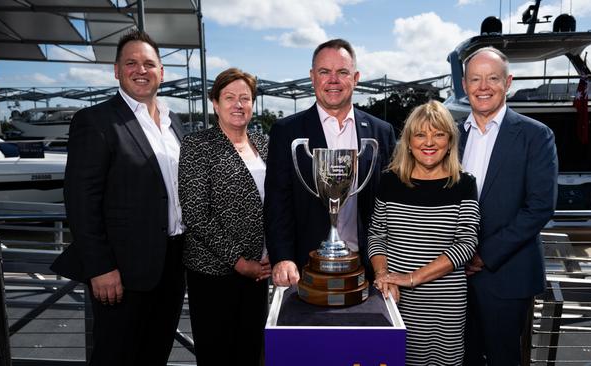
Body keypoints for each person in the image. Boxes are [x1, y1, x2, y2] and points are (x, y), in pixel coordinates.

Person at [50, 30, 186, 365]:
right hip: (121, 272)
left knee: (156, 354)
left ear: (162, 72)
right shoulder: (95, 122)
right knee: (116, 356)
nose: (141, 70)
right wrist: (101, 268)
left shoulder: (174, 123)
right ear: (116, 70)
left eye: (149, 64)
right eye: (131, 63)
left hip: (171, 264)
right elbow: (81, 201)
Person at [264, 38, 397, 286]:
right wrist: (282, 258)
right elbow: (277, 204)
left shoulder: (381, 132)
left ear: (356, 78)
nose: (333, 80)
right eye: (325, 72)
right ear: (312, 77)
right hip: (306, 267)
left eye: (342, 72)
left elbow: (391, 205)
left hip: (367, 268)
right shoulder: (286, 132)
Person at [459, 47, 558, 365]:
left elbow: (540, 206)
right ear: (465, 84)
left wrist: (484, 254)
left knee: (504, 359)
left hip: (506, 275)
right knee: (462, 358)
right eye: (475, 78)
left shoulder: (536, 135)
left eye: (492, 78)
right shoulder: (452, 136)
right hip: (452, 277)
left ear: (508, 82)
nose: (483, 86)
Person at [370, 100, 480, 365]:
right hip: (397, 301)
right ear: (408, 141)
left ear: (450, 140)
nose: (429, 142)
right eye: (421, 134)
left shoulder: (464, 184)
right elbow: (376, 236)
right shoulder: (389, 181)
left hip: (445, 303)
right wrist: (383, 276)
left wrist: (411, 278)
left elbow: (466, 244)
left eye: (438, 134)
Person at [179, 67, 271, 366]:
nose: (238, 104)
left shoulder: (264, 143)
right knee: (218, 354)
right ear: (215, 103)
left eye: (245, 97)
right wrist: (240, 262)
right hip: (213, 274)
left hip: (259, 272)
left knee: (250, 350)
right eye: (229, 97)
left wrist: (271, 253)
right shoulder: (197, 145)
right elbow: (196, 214)